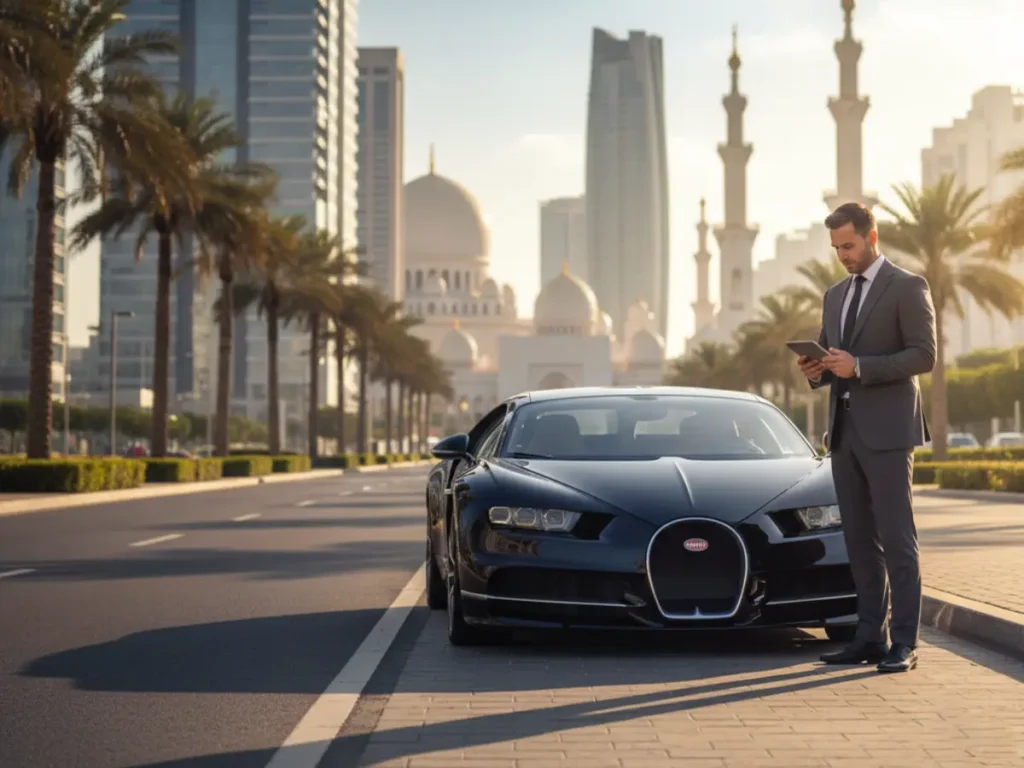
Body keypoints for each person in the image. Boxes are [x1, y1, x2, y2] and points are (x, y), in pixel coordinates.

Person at [797, 202, 936, 674]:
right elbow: (831, 357)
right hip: (844, 431)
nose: (843, 256)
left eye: (849, 246)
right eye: (836, 248)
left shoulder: (908, 286)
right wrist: (816, 369)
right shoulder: (834, 295)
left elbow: (923, 355)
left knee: (898, 539)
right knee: (858, 540)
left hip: (890, 431)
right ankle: (868, 636)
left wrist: (860, 367)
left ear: (871, 236)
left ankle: (905, 642)